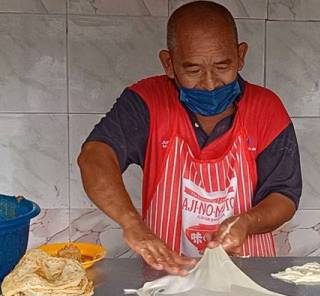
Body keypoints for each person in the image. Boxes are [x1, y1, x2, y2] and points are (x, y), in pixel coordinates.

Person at [77, 1, 301, 275]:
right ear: (168, 64)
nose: (209, 83)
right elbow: (95, 156)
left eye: (223, 66)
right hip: (167, 278)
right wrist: (132, 224)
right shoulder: (146, 102)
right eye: (193, 70)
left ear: (240, 56)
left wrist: (247, 222)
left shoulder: (266, 109)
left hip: (247, 276)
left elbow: (284, 195)